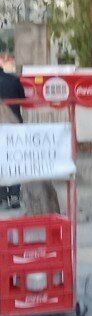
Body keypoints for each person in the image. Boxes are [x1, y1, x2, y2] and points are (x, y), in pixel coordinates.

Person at [0, 65, 27, 209]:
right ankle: (15, 195)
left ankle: (3, 197)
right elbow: (23, 99)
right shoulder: (13, 80)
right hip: (13, 125)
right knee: (15, 160)